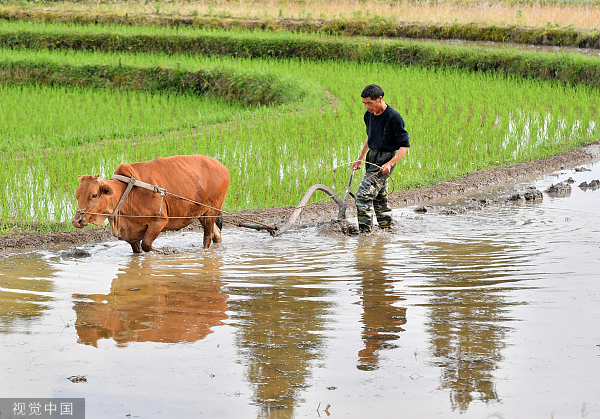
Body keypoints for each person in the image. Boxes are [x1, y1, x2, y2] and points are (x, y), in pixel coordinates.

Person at [351, 84, 410, 233]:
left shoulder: (394, 117)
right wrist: (361, 157)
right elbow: (370, 136)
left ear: (380, 99)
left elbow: (405, 146)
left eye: (369, 103)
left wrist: (390, 164)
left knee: (363, 195)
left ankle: (365, 234)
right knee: (379, 196)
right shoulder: (368, 115)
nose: (366, 106)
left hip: (385, 159)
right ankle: (387, 228)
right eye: (364, 103)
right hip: (372, 157)